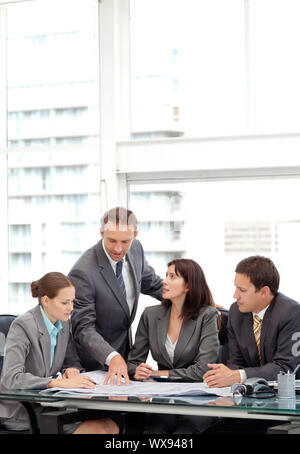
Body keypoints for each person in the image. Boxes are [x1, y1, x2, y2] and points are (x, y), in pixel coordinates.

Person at [0, 272, 121, 434]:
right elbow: (11, 378)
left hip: (49, 406)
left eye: (72, 302)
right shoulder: (22, 326)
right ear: (45, 300)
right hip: (22, 411)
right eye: (65, 302)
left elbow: (71, 361)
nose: (71, 308)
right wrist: (55, 383)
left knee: (111, 425)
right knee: (101, 430)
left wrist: (72, 370)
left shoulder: (63, 324)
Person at [69, 207, 163, 386]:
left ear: (135, 235)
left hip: (127, 356)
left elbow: (153, 284)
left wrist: (195, 300)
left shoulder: (136, 249)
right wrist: (111, 356)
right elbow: (83, 328)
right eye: (111, 240)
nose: (118, 249)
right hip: (94, 361)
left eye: (125, 241)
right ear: (101, 233)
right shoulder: (83, 271)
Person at [126, 258, 220, 434]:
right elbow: (132, 362)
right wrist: (137, 371)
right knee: (154, 432)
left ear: (188, 286)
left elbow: (203, 370)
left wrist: (159, 374)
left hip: (198, 401)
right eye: (166, 275)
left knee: (184, 433)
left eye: (172, 277)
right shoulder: (151, 315)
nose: (165, 281)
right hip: (163, 399)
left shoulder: (207, 315)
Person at [203, 255, 300, 388]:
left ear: (264, 292)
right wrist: (224, 376)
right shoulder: (236, 311)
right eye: (236, 287)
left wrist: (239, 376)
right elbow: (235, 362)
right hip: (252, 393)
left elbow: (285, 368)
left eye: (242, 290)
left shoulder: (291, 312)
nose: (235, 295)